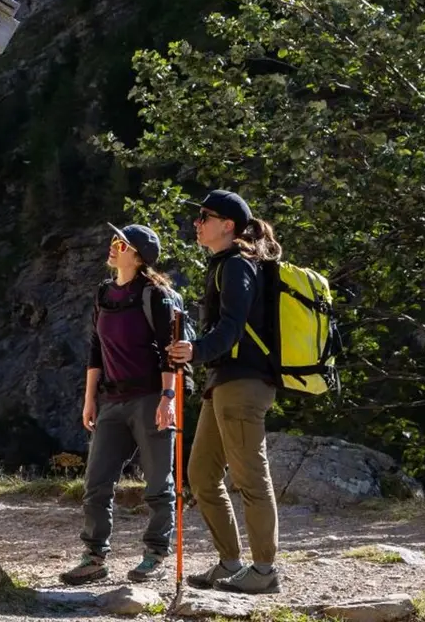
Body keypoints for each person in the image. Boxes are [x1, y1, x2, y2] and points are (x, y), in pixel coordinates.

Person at [167, 189, 283, 594]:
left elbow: (232, 328)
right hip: (224, 383)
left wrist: (195, 350)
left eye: (204, 216)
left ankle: (265, 572)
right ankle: (231, 563)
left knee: (251, 478)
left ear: (227, 225)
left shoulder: (237, 266)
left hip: (244, 383)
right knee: (200, 475)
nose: (197, 223)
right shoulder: (223, 265)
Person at [60, 223, 185, 586]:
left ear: (137, 255)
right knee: (96, 484)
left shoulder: (156, 296)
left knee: (158, 485)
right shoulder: (104, 294)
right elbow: (95, 350)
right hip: (111, 401)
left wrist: (169, 399)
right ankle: (94, 557)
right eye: (114, 241)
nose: (112, 247)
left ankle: (155, 554)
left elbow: (170, 354)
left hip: (150, 399)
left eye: (121, 244)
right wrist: (89, 400)